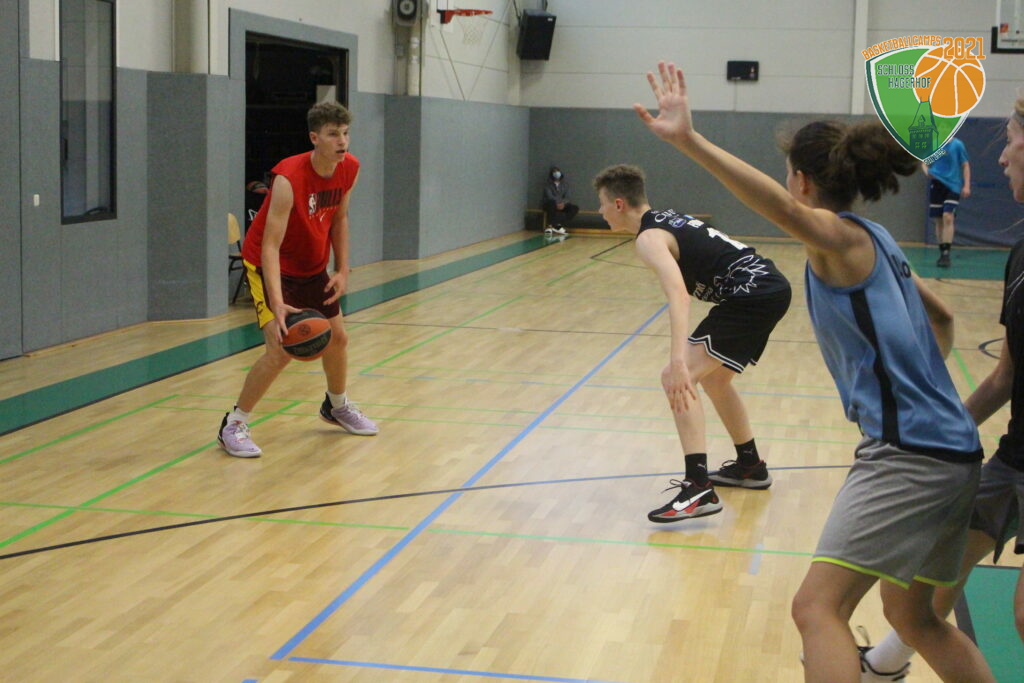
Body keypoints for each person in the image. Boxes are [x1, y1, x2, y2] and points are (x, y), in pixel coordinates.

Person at [633, 61, 994, 682]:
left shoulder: (837, 240)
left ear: (800, 181)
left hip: (908, 453)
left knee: (816, 609)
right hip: (954, 449)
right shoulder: (876, 238)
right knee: (915, 618)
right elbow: (943, 317)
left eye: (787, 177)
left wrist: (689, 141)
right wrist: (926, 394)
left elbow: (779, 209)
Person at [861, 96, 1024, 682]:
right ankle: (882, 667)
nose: (1002, 156)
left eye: (1011, 140)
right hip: (1015, 461)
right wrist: (934, 433)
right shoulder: (1019, 255)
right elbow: (1005, 376)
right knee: (913, 595)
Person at [592, 164, 791, 523]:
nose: (600, 210)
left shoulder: (648, 239)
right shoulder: (665, 219)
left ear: (618, 204)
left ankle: (698, 487)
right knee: (716, 380)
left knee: (678, 380)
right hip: (768, 285)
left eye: (602, 203)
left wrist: (678, 362)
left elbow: (679, 297)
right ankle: (750, 465)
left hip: (753, 292)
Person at [218, 101, 378, 458]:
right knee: (279, 350)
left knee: (338, 338)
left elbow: (340, 218)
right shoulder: (288, 179)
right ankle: (233, 423)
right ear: (314, 138)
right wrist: (276, 303)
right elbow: (270, 246)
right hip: (269, 265)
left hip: (312, 265)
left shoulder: (349, 168)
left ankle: (336, 406)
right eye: (333, 134)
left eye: (345, 133)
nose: (342, 141)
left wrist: (342, 269)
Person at [923, 136, 971, 268]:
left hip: (953, 185)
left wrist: (966, 185)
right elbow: (925, 162)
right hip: (937, 184)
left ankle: (946, 253)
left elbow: (965, 165)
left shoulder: (957, 145)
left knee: (947, 216)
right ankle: (942, 251)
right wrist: (927, 172)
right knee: (939, 220)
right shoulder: (936, 145)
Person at [542, 166, 579, 232]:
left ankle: (557, 224)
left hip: (563, 205)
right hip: (551, 204)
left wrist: (563, 204)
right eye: (554, 172)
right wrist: (557, 203)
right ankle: (551, 226)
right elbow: (550, 196)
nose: (556, 174)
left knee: (574, 208)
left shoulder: (565, 185)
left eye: (557, 172)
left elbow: (567, 197)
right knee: (551, 204)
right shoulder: (548, 185)